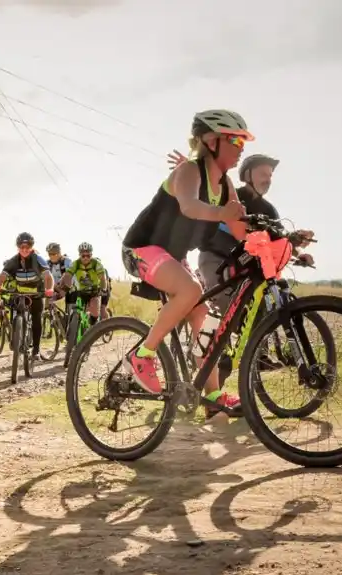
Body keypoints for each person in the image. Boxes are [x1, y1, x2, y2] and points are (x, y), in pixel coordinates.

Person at [120, 109, 250, 418]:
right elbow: (190, 207)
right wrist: (224, 214)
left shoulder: (226, 184)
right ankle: (142, 355)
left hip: (173, 257)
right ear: (211, 140)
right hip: (141, 248)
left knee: (202, 317)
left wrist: (284, 239)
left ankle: (214, 395)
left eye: (244, 143)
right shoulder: (189, 171)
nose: (241, 149)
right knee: (191, 289)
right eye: (235, 141)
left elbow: (242, 228)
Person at [166, 151, 314, 384]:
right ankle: (212, 374)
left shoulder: (270, 210)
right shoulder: (234, 196)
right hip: (216, 258)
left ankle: (255, 360)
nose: (268, 178)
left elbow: (276, 239)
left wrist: (298, 251)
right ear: (247, 174)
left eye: (271, 174)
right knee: (228, 309)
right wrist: (189, 170)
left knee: (262, 306)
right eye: (263, 173)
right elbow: (206, 193)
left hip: (247, 266)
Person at [0, 232, 55, 359]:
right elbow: (3, 275)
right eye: (21, 247)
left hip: (36, 294)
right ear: (17, 247)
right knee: (17, 315)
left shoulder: (37, 259)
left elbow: (48, 276)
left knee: (36, 319)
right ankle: (18, 337)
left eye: (27, 247)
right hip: (21, 294)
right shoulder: (14, 260)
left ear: (32, 247)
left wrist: (49, 288)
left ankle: (36, 349)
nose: (24, 249)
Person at [57, 242, 107, 327]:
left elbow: (102, 278)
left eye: (88, 256)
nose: (85, 258)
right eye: (83, 256)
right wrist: (64, 288)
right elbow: (67, 276)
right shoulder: (75, 263)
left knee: (94, 312)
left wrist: (103, 289)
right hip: (81, 291)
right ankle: (74, 328)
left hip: (94, 291)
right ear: (79, 255)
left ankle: (92, 327)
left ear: (92, 254)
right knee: (76, 309)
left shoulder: (96, 264)